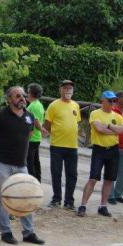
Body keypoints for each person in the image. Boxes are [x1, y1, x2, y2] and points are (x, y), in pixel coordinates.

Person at [0, 86, 45, 245]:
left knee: (26, 197)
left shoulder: (30, 117)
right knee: (3, 198)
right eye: (17, 96)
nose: (22, 98)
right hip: (2, 163)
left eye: (23, 95)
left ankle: (28, 233)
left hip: (21, 165)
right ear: (9, 99)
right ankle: (6, 232)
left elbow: (28, 136)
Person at [77, 91, 123, 218]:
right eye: (110, 100)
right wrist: (114, 130)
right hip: (99, 149)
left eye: (114, 101)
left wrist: (109, 126)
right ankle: (83, 205)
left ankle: (103, 206)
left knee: (109, 179)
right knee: (93, 178)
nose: (112, 103)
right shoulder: (95, 113)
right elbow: (99, 129)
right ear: (102, 101)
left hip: (113, 149)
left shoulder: (118, 116)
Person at [44, 80, 81, 209]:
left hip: (72, 146)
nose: (68, 90)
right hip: (57, 145)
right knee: (56, 173)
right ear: (60, 90)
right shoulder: (54, 105)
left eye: (70, 88)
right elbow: (47, 124)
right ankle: (56, 199)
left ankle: (69, 201)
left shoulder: (75, 105)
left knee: (72, 175)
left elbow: (77, 123)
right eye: (65, 88)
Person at [26, 83, 47, 182]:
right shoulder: (39, 104)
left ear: (31, 93)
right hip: (36, 138)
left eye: (28, 92)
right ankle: (37, 181)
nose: (27, 94)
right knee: (35, 161)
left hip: (32, 138)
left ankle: (32, 182)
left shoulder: (33, 106)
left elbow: (36, 120)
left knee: (30, 162)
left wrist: (41, 129)